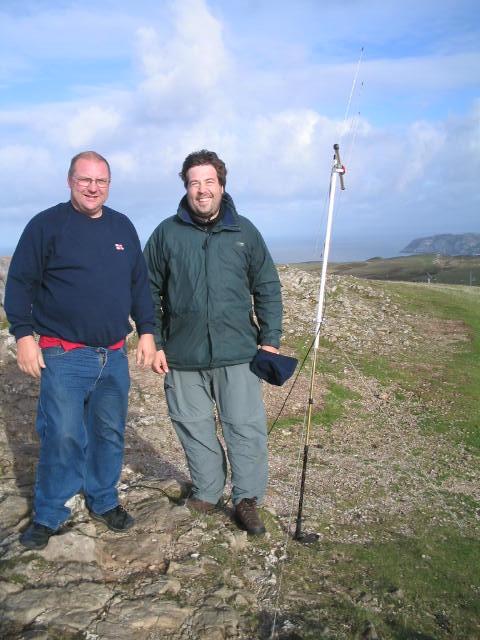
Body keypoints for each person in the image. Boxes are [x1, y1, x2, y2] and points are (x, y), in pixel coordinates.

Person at [5, 151, 156, 550]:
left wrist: (147, 332)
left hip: (113, 355)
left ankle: (104, 500)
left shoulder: (122, 226)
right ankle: (50, 512)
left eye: (101, 181)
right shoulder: (46, 225)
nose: (93, 188)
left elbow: (139, 284)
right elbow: (19, 283)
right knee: (64, 435)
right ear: (70, 181)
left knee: (108, 433)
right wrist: (23, 336)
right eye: (85, 180)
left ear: (109, 184)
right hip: (63, 355)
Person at [143, 149, 283, 535]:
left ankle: (247, 500)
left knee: (245, 426)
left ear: (222, 185)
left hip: (238, 352)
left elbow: (267, 287)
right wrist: (152, 340)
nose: (202, 190)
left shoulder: (246, 232)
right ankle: (206, 489)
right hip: (182, 354)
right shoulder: (166, 234)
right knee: (192, 425)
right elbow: (147, 290)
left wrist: (269, 340)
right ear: (186, 187)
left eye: (209, 182)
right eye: (194, 183)